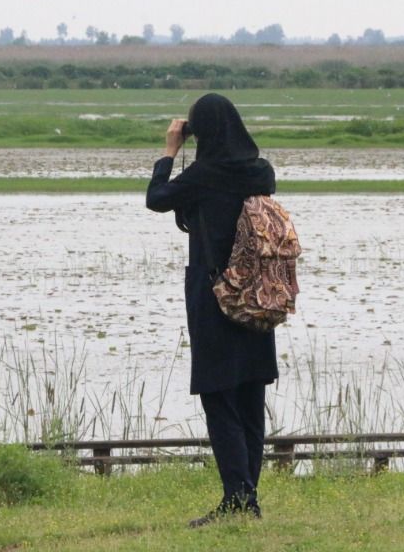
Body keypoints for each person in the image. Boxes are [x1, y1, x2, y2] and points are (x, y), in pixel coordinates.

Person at [145, 93, 278, 527]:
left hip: (213, 294)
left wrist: (170, 151)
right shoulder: (261, 171)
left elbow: (157, 198)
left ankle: (236, 501)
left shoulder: (203, 175)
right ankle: (247, 498)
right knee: (250, 396)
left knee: (219, 396)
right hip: (258, 295)